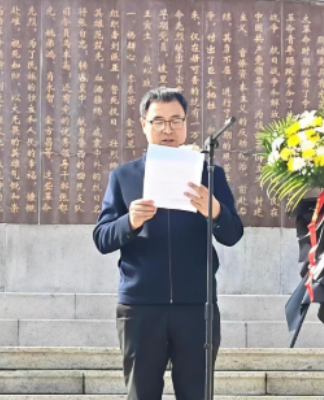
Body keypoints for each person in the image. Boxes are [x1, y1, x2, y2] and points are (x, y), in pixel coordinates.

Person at [93, 87, 244, 400]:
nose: (168, 129)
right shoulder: (124, 176)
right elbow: (102, 238)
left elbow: (232, 234)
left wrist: (215, 211)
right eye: (158, 121)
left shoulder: (209, 174)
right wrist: (130, 221)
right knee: (142, 394)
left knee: (196, 394)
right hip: (140, 307)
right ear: (144, 125)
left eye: (176, 120)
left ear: (186, 123)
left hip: (197, 306)